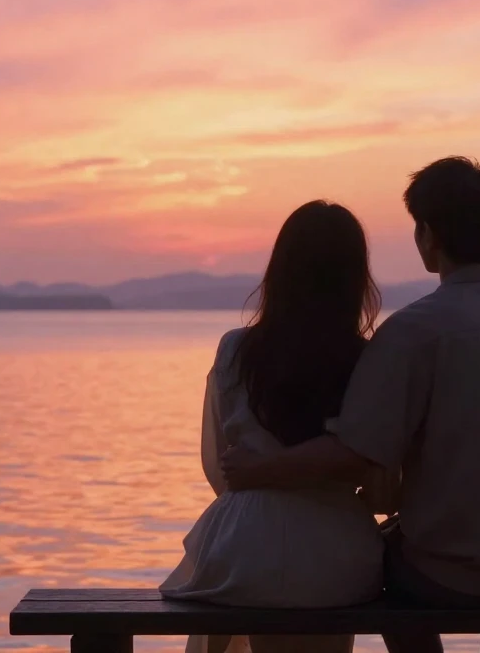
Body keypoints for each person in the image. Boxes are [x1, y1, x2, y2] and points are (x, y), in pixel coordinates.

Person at [222, 157, 480, 653]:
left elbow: (355, 452)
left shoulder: (413, 332)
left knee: (383, 566)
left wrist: (262, 470)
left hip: (447, 574)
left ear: (427, 234)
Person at [160, 200, 397, 653]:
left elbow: (219, 467)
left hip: (244, 547)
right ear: (354, 280)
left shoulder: (236, 351)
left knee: (261, 582)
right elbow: (378, 478)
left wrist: (262, 488)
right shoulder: (368, 359)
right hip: (337, 553)